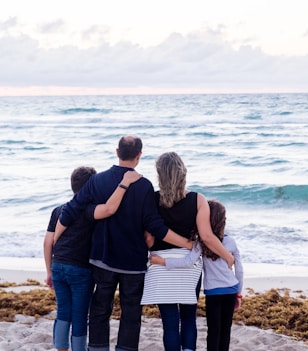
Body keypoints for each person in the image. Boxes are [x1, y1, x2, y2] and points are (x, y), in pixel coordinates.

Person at [55, 136, 194, 351]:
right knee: (131, 313)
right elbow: (155, 226)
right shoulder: (145, 185)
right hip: (133, 263)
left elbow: (72, 209)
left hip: (102, 258)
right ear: (139, 156)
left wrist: (54, 239)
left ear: (117, 151)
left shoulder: (97, 180)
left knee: (100, 310)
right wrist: (186, 243)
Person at [141, 152, 234, 351]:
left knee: (170, 322)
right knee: (188, 317)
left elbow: (148, 239)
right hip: (188, 264)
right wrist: (227, 256)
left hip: (160, 265)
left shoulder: (152, 199)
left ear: (160, 175)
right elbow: (207, 236)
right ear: (183, 172)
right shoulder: (198, 199)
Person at [44, 166, 141, 351]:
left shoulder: (59, 210)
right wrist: (125, 183)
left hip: (58, 266)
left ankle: (61, 349)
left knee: (63, 312)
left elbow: (48, 243)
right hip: (81, 270)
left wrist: (49, 270)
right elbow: (110, 209)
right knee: (80, 315)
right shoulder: (90, 211)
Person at [151, 199, 244, 351]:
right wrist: (238, 293)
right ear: (223, 221)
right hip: (231, 290)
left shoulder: (201, 243)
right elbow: (239, 270)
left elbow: (187, 261)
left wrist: (163, 262)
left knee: (213, 331)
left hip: (214, 293)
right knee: (226, 330)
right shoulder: (231, 241)